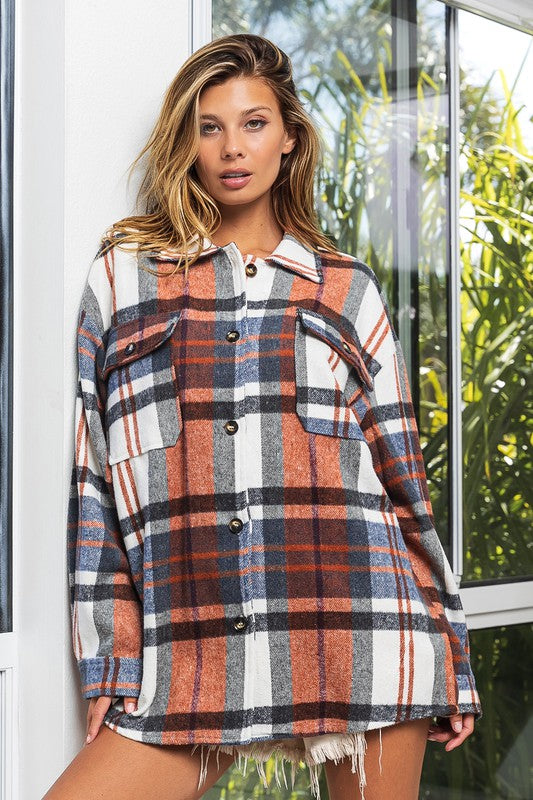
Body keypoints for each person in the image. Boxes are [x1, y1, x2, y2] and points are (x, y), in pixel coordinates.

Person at [45, 32, 482, 800]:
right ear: (186, 142)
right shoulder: (125, 279)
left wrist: (451, 649)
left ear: (288, 139)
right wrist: (110, 658)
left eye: (252, 124)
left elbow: (402, 487)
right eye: (208, 127)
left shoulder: (346, 290)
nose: (230, 149)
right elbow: (94, 484)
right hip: (192, 646)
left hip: (359, 634)